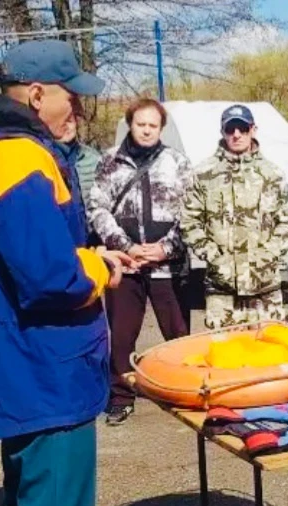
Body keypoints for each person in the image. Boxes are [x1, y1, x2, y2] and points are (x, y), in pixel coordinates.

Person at [0, 39, 136, 506]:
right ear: (35, 94)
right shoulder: (20, 159)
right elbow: (51, 277)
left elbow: (22, 258)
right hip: (50, 373)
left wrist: (85, 255)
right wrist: (99, 270)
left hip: (12, 371)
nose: (77, 109)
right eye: (70, 97)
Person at [87, 98, 194, 426]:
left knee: (179, 333)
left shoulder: (178, 162)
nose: (146, 130)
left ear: (161, 128)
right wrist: (126, 246)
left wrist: (167, 248)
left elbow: (193, 214)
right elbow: (97, 208)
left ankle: (186, 390)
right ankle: (120, 396)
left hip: (167, 264)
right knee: (121, 334)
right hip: (126, 264)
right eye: (140, 124)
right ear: (130, 125)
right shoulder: (110, 161)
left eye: (153, 125)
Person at [182, 104, 288, 329]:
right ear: (223, 132)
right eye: (230, 129)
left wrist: (268, 256)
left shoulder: (272, 174)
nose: (236, 134)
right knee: (225, 358)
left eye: (242, 128)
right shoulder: (204, 174)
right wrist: (216, 258)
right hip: (222, 290)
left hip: (264, 288)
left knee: (269, 355)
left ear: (253, 130)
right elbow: (189, 222)